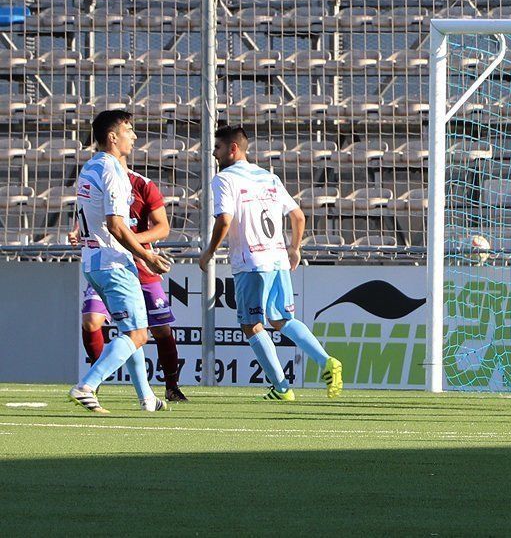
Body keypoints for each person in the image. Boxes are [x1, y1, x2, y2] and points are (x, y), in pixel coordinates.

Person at [199, 125, 342, 400]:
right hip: (277, 258)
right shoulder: (269, 177)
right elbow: (298, 216)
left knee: (251, 325)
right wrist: (294, 249)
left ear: (232, 149)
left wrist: (209, 252)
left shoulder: (224, 179)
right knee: (281, 319)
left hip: (251, 262)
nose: (214, 154)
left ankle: (282, 387)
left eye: (217, 148)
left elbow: (225, 219)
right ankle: (327, 361)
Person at [68, 110, 172, 413]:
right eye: (129, 129)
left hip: (93, 262)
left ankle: (147, 398)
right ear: (112, 137)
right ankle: (86, 385)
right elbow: (115, 224)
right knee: (138, 333)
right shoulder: (113, 171)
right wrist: (148, 256)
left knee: (131, 329)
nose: (134, 136)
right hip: (113, 262)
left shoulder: (90, 167)